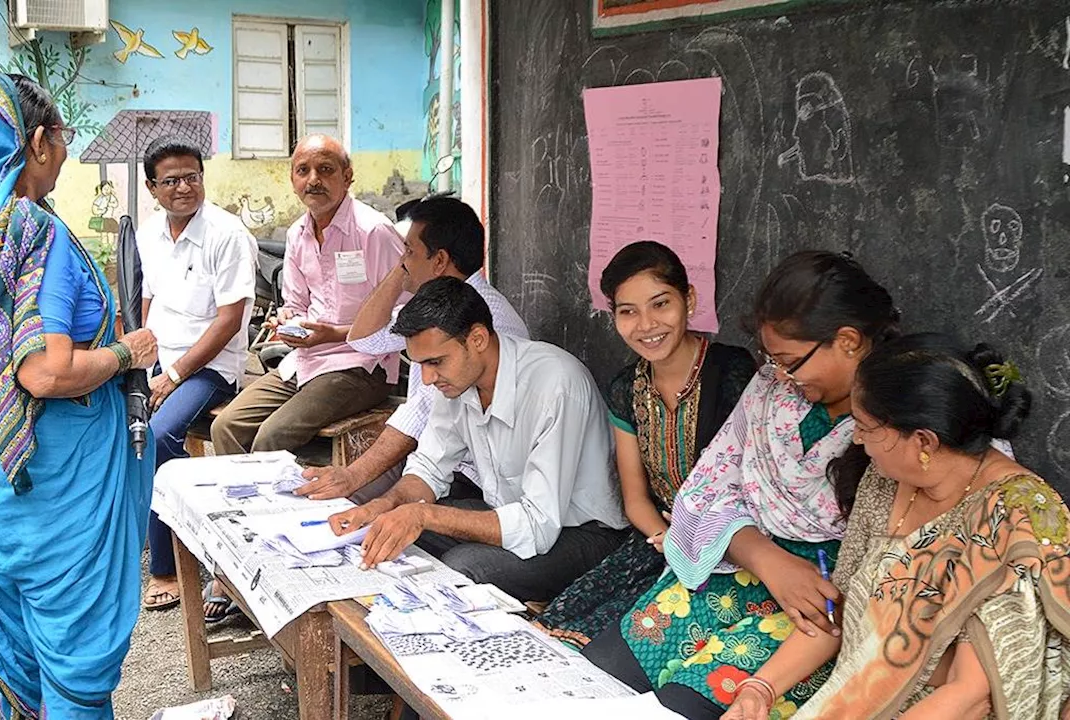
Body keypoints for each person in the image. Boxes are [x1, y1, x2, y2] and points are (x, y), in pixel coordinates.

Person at [0, 73, 157, 719]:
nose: (66, 154)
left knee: (18, 655)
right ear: (39, 141)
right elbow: (43, 372)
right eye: (63, 139)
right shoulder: (34, 233)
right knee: (74, 663)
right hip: (58, 488)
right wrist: (130, 352)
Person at [581, 250, 901, 719]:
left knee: (681, 705)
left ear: (848, 341)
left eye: (791, 361)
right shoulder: (773, 387)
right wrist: (766, 558)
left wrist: (798, 581)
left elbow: (884, 577)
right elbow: (706, 489)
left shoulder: (897, 422)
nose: (781, 375)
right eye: (774, 361)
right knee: (599, 674)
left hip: (819, 611)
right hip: (735, 565)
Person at [722, 334, 1070, 720]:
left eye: (866, 427)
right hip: (859, 696)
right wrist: (760, 688)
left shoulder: (1016, 515)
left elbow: (972, 695)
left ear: (922, 441)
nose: (856, 438)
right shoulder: (885, 478)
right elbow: (838, 607)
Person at [327, 277, 630, 602]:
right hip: (511, 511)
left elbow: (538, 526)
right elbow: (429, 467)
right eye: (420, 365)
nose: (427, 379)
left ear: (478, 339)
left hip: (584, 533)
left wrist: (422, 514)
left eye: (435, 362)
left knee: (461, 567)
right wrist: (385, 505)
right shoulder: (456, 380)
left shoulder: (557, 384)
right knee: (389, 532)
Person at [535, 241, 756, 648]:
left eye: (660, 304)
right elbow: (636, 498)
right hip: (657, 541)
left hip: (726, 548)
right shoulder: (626, 389)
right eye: (628, 312)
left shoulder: (733, 372)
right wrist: (665, 538)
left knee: (609, 643)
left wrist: (689, 542)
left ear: (688, 299)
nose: (647, 325)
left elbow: (749, 487)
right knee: (555, 625)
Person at [295, 195, 529, 503]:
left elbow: (423, 410)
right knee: (336, 505)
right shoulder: (435, 303)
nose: (402, 258)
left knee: (369, 516)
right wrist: (400, 273)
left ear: (440, 261)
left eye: (409, 250)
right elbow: (363, 338)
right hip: (427, 456)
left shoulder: (483, 317)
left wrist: (353, 476)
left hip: (469, 475)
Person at [207, 134, 403, 456]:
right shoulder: (297, 234)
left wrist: (335, 334)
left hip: (363, 365)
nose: (314, 180)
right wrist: (289, 320)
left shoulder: (373, 231)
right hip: (306, 360)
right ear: (293, 179)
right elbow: (296, 303)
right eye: (303, 170)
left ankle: (277, 505)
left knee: (272, 436)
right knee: (226, 426)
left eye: (326, 169)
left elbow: (406, 317)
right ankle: (247, 504)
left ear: (347, 175)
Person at [135, 136, 258, 612]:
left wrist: (176, 373)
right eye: (171, 181)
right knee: (119, 422)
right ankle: (146, 533)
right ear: (153, 187)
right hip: (159, 360)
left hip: (210, 366)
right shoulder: (148, 234)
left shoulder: (227, 234)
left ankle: (166, 569)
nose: (184, 187)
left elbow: (230, 320)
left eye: (192, 177)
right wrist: (139, 356)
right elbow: (147, 299)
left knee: (160, 433)